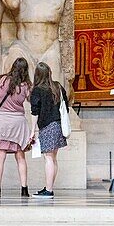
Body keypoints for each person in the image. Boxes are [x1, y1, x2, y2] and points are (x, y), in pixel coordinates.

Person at [0, 58, 33, 199]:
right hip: (18, 124)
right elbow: (31, 100)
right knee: (20, 157)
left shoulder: (3, 80)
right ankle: (24, 189)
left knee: (0, 156)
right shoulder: (26, 85)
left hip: (0, 122)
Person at [29, 62, 69, 199]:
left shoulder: (37, 90)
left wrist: (32, 131)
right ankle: (48, 187)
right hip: (58, 125)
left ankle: (49, 190)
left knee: (48, 159)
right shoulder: (57, 86)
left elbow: (35, 112)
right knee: (53, 158)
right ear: (49, 73)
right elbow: (66, 106)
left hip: (47, 126)